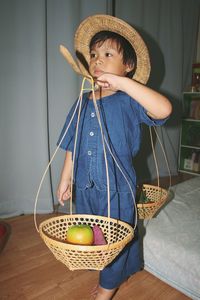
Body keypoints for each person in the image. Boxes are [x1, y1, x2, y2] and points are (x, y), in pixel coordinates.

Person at [57, 15, 172, 300]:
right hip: (85, 187)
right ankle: (113, 271)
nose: (98, 60)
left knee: (117, 235)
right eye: (94, 55)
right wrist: (65, 178)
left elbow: (164, 109)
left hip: (117, 189)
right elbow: (72, 142)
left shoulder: (131, 100)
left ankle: (108, 287)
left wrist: (123, 84)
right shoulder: (82, 101)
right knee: (97, 235)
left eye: (108, 54)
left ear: (128, 66)